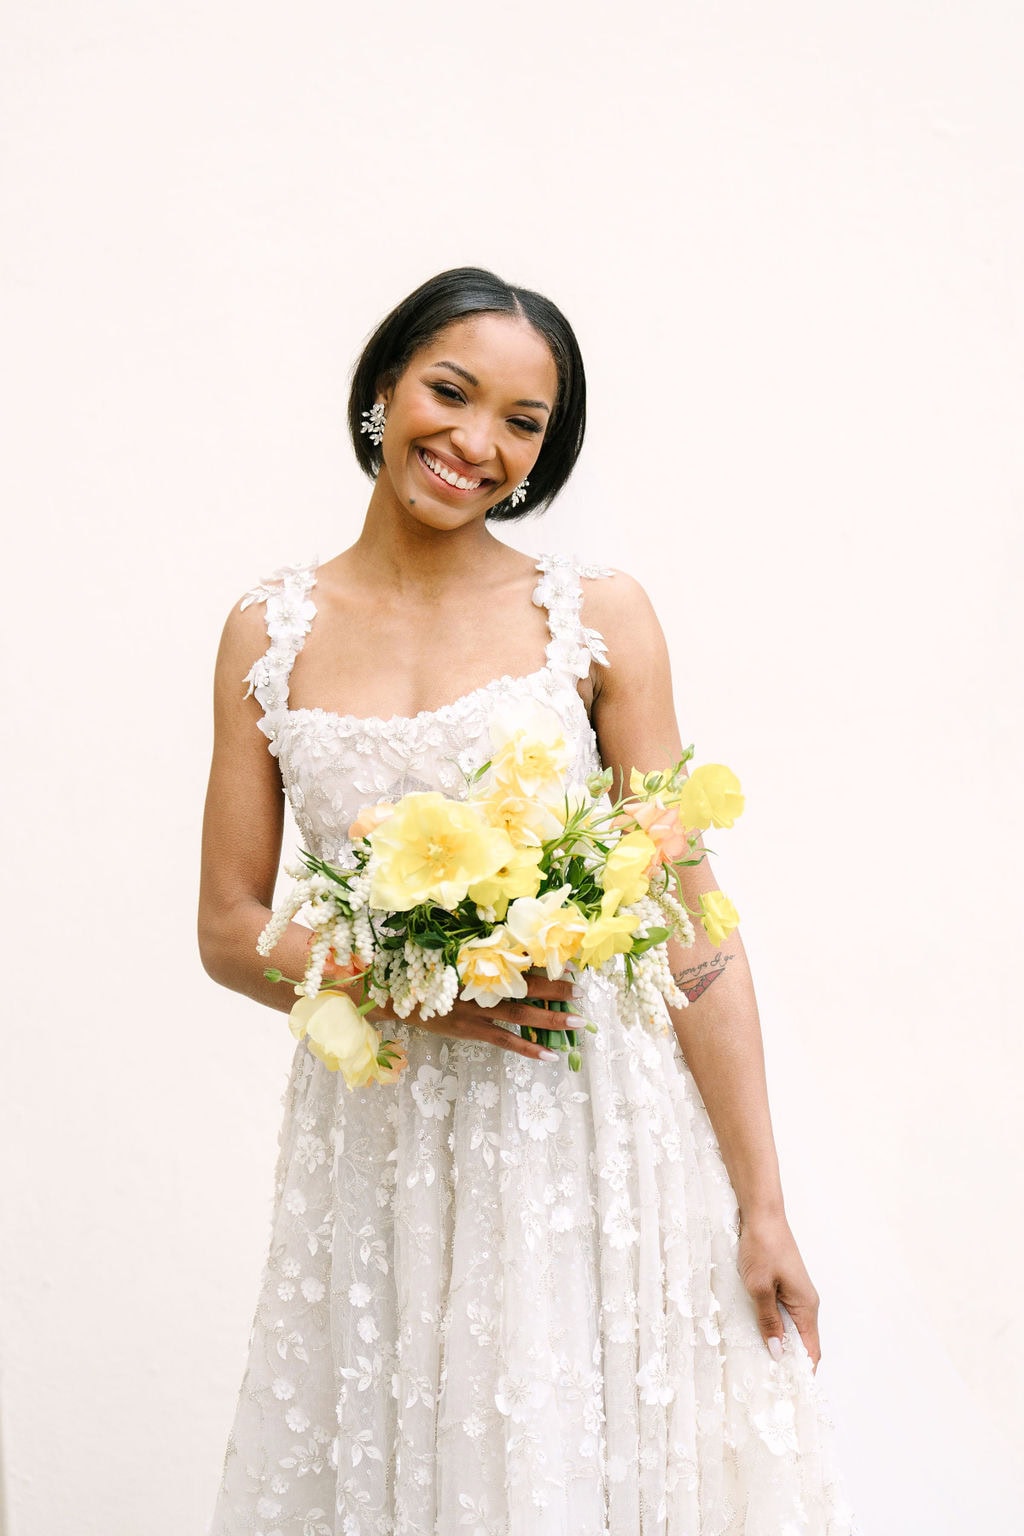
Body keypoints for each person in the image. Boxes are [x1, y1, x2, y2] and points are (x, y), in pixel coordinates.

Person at [198, 267, 856, 1534]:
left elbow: (691, 926)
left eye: (522, 422)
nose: (476, 444)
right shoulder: (264, 631)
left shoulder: (595, 619)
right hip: (383, 1137)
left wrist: (764, 1203)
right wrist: (406, 989)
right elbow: (229, 928)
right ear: (384, 386)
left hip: (588, 1130)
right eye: (451, 391)